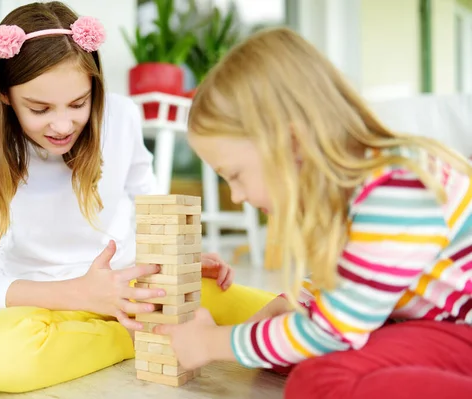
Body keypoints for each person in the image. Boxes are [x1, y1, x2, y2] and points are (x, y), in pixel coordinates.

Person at [0, 1, 275, 394]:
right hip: (50, 305)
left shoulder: (121, 116)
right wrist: (83, 293)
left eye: (78, 104)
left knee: (289, 316)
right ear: (5, 96)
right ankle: (136, 338)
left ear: (95, 87)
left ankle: (148, 326)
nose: (62, 125)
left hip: (137, 289)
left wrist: (177, 259)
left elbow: (148, 199)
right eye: (39, 109)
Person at [155, 27, 472, 399]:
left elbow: (331, 332)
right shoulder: (359, 186)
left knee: (320, 380)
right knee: (283, 343)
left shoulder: (398, 186)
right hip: (437, 325)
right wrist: (294, 302)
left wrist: (212, 343)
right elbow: (353, 275)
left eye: (235, 176)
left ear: (292, 142)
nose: (237, 196)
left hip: (459, 331)